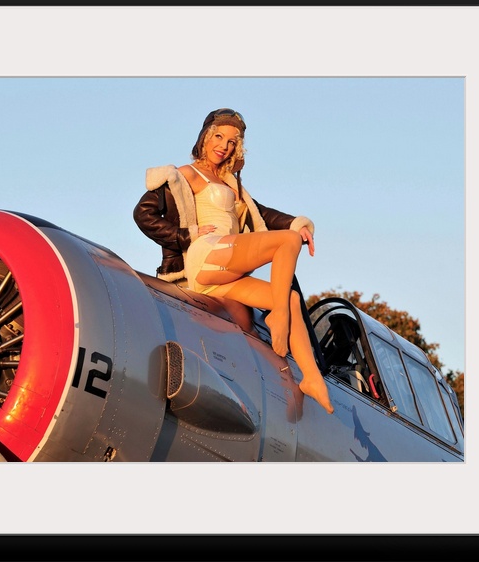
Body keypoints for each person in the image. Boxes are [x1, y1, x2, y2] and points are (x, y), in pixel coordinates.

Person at [133, 108, 334, 415]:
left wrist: (298, 223)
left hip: (224, 271)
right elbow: (143, 214)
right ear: (204, 137)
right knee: (287, 242)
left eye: (232, 141)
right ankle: (276, 316)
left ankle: (311, 379)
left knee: (291, 298)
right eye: (219, 136)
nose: (224, 146)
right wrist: (186, 235)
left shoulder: (230, 182)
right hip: (206, 256)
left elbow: (262, 215)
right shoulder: (185, 174)